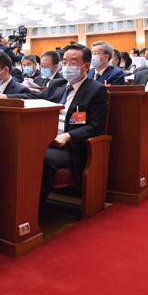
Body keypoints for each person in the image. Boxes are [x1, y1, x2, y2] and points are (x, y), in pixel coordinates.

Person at [38, 43, 108, 217]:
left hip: (71, 146)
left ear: (86, 66)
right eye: (65, 62)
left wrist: (67, 136)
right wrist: (6, 96)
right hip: (44, 138)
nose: (68, 66)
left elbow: (95, 125)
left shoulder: (96, 90)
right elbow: (34, 97)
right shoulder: (58, 84)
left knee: (42, 159)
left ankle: (36, 210)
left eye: (74, 62)